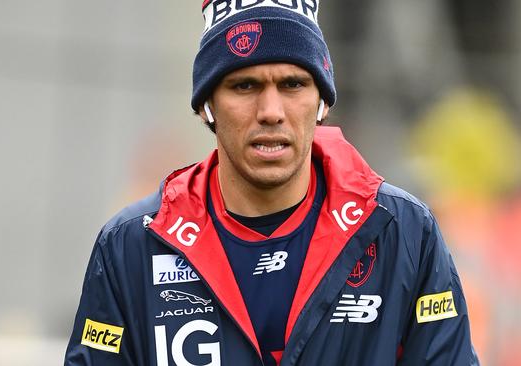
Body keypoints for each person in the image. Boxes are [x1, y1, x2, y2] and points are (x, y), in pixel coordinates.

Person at [64, 1, 479, 365]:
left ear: (322, 101)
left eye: (293, 84)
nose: (271, 111)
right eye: (244, 85)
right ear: (207, 105)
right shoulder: (131, 245)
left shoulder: (402, 231)